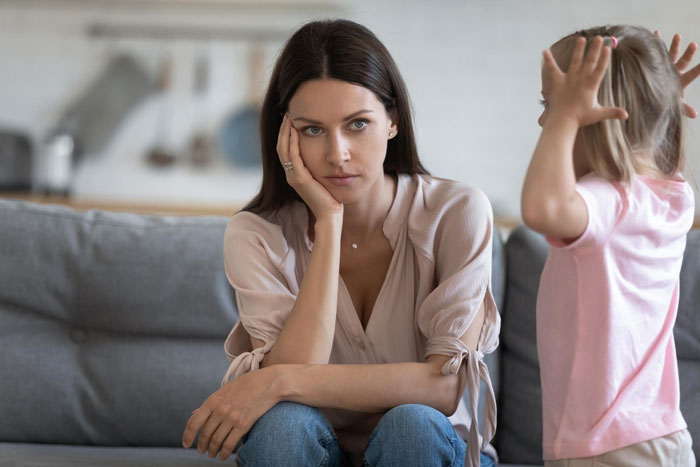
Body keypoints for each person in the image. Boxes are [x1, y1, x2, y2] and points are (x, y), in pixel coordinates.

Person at [181, 19, 500, 467]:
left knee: (411, 425)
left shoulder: (456, 212)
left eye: (357, 124)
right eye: (312, 129)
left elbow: (444, 388)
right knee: (281, 428)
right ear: (284, 135)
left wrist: (277, 381)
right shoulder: (256, 233)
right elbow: (287, 391)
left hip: (427, 450)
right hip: (310, 447)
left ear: (392, 121)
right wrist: (329, 223)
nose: (337, 154)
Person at [521, 25, 700, 467]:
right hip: (663, 438)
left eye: (554, 105)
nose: (545, 120)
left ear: (597, 119)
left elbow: (540, 208)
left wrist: (565, 119)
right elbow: (653, 151)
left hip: (605, 447)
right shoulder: (674, 196)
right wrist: (657, 105)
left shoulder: (606, 204)